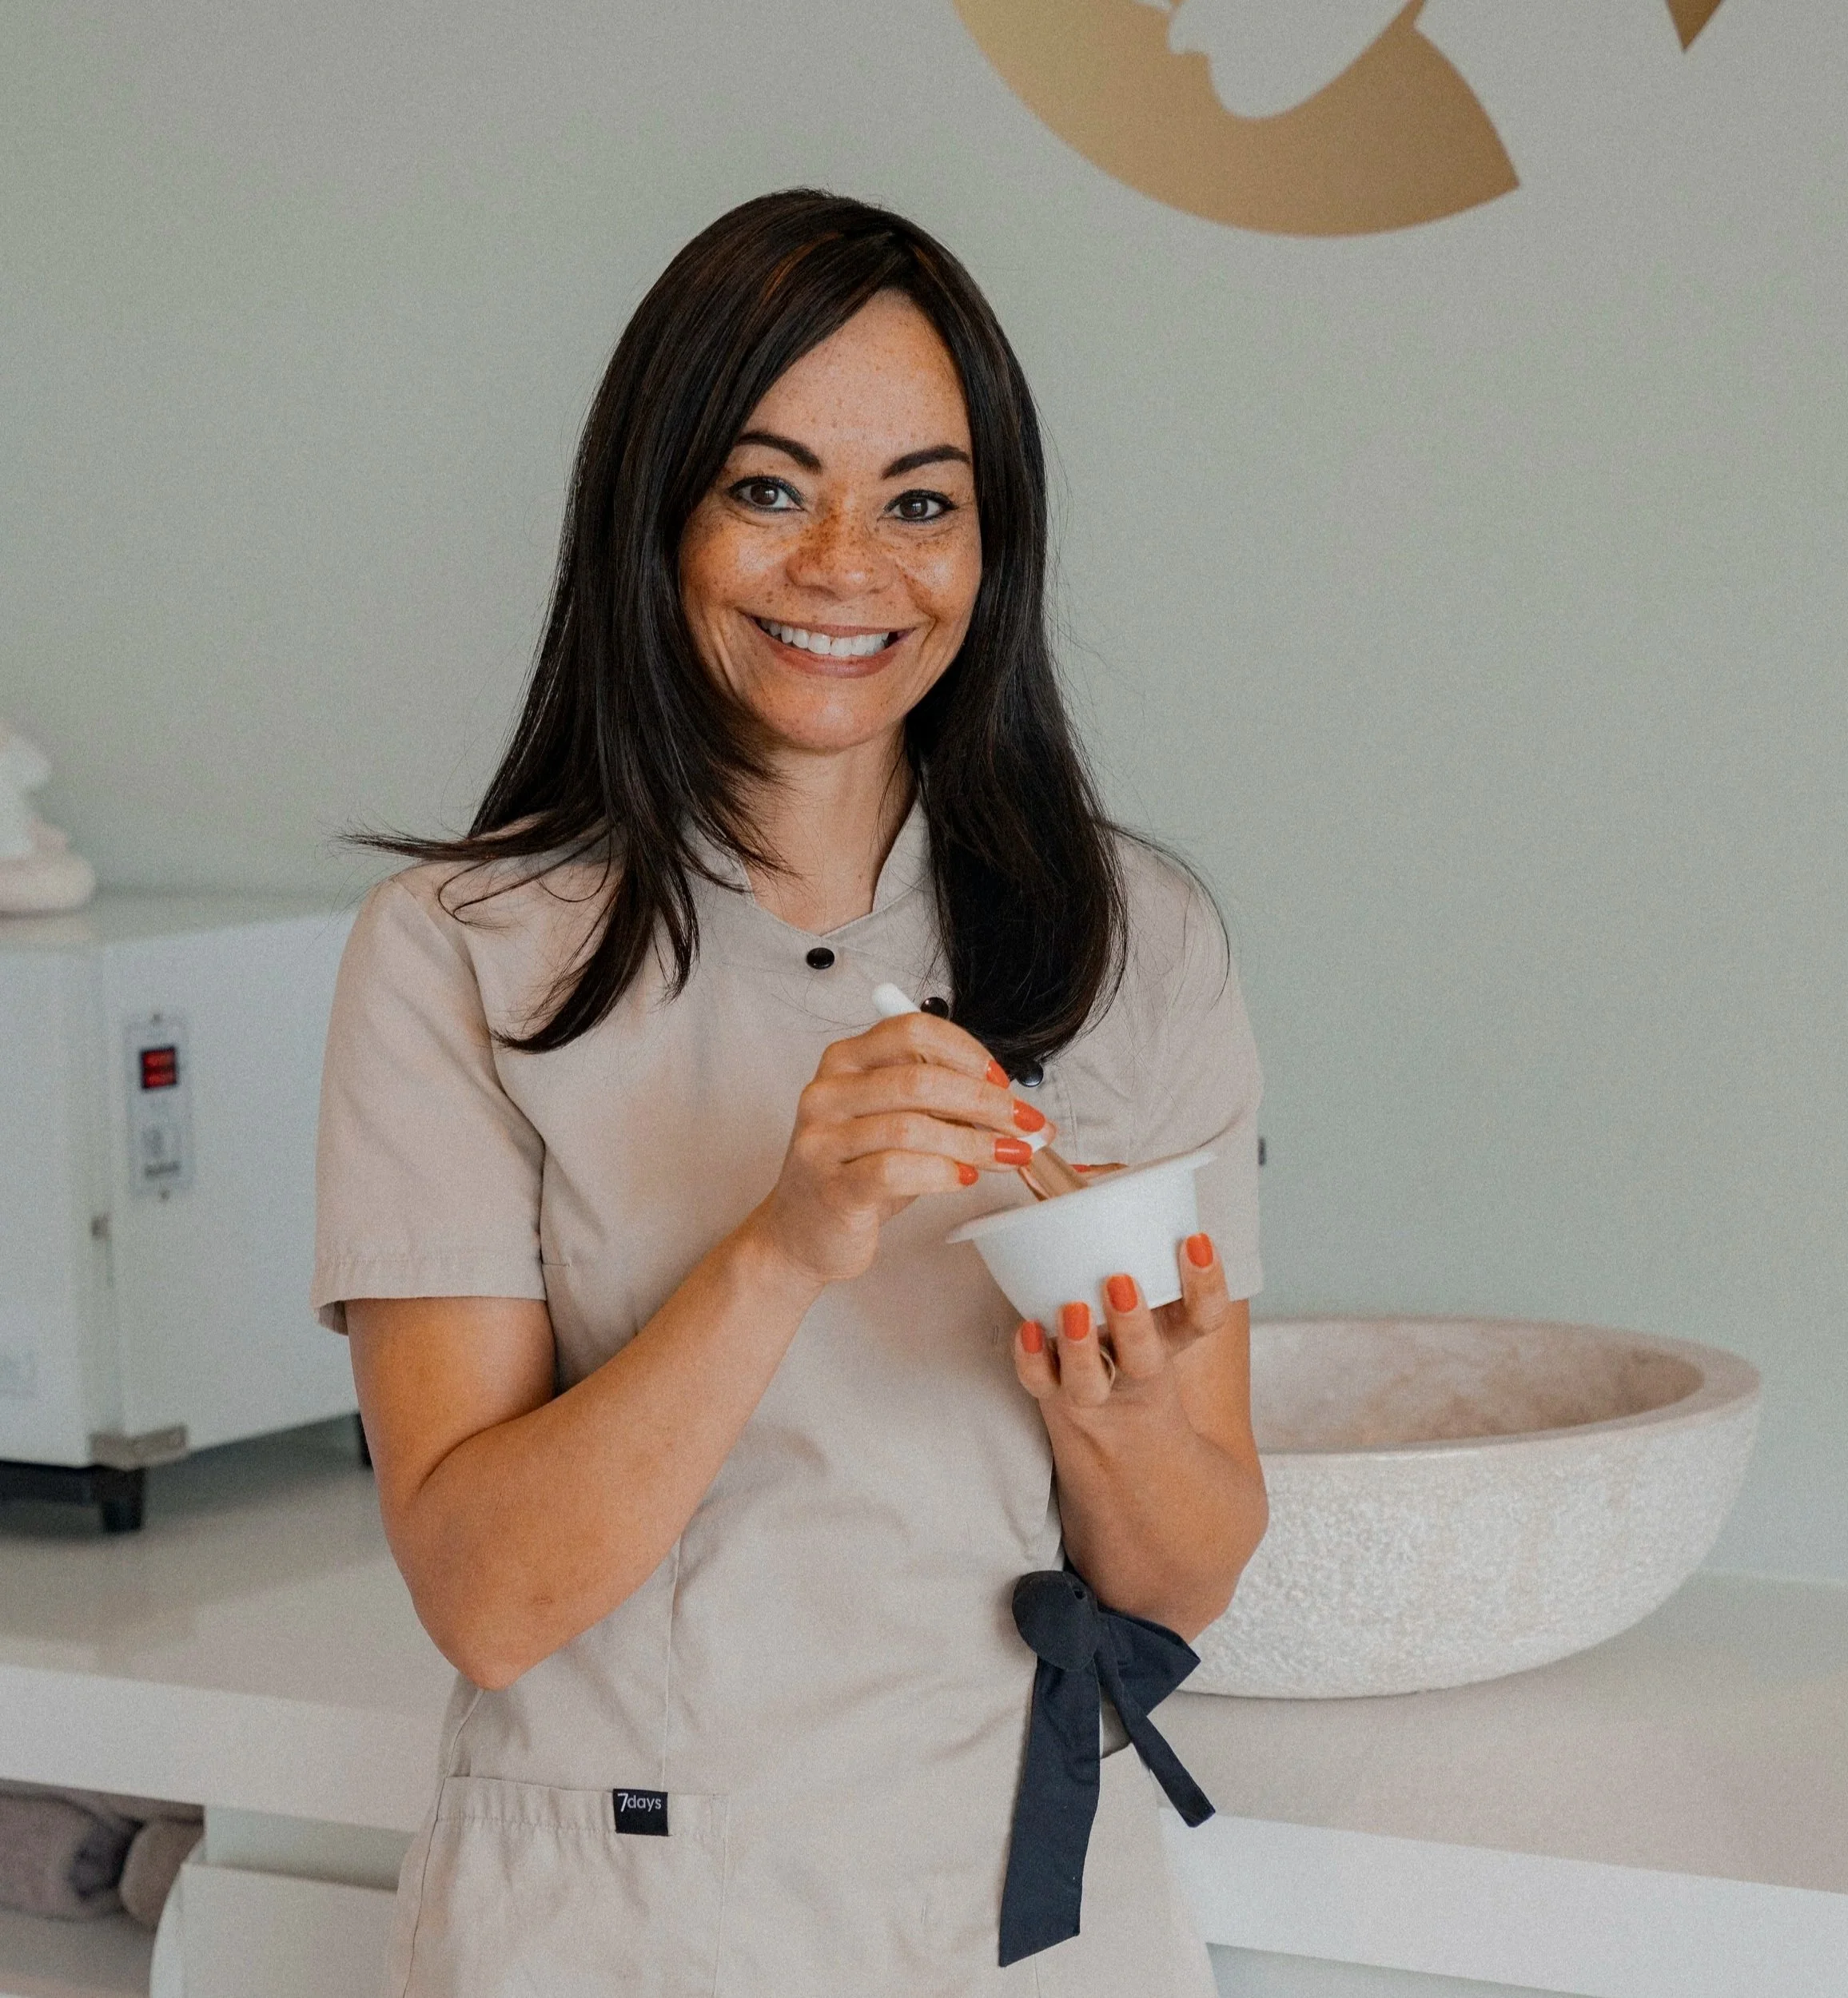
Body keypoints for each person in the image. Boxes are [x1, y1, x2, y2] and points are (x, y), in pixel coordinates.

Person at [313, 188, 1267, 1996]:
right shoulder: (460, 950)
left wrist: (1117, 1409)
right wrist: (786, 1240)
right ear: (653, 516)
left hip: (1032, 1907)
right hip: (624, 1920)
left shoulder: (1136, 937)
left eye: (920, 501)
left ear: (991, 552)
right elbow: (483, 1590)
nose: (848, 564)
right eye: (767, 488)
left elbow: (1182, 1577)